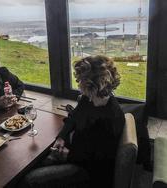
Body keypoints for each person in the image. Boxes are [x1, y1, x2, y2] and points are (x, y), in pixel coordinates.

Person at [20, 55, 125, 188]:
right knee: (36, 162)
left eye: (80, 80)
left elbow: (98, 161)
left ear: (92, 84)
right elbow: (73, 118)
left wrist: (67, 155)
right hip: (76, 154)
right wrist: (61, 137)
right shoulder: (88, 99)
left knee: (30, 180)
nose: (78, 83)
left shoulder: (110, 117)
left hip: (89, 172)